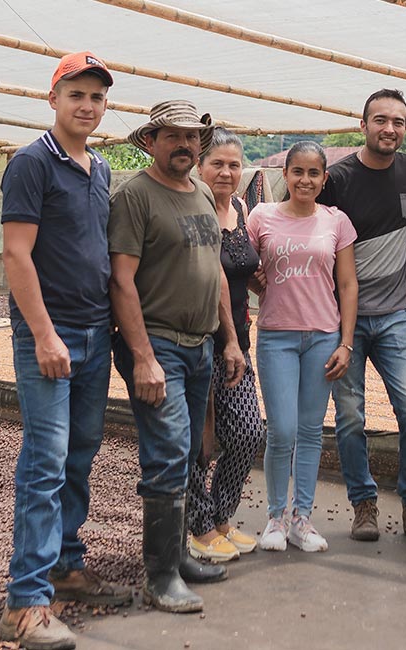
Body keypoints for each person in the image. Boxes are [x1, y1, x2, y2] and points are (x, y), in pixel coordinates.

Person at [0, 51, 131, 650]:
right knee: (46, 460)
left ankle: (65, 565)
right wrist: (45, 333)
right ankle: (25, 603)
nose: (87, 106)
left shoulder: (98, 168)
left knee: (79, 454)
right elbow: (16, 255)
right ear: (53, 99)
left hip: (94, 332)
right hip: (49, 337)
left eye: (97, 98)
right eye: (76, 94)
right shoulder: (32, 163)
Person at [109, 100, 246, 613]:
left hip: (201, 344)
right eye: (174, 136)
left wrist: (229, 338)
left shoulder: (204, 192)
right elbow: (121, 280)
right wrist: (142, 356)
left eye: (193, 137)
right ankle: (160, 575)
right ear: (151, 140)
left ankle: (181, 554)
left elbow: (212, 275)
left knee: (189, 452)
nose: (186, 145)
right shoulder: (135, 197)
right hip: (158, 341)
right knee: (168, 452)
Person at [320, 89, 406, 544]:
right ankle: (364, 504)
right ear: (362, 125)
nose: (390, 129)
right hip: (345, 321)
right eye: (380, 120)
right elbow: (305, 230)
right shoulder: (336, 179)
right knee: (351, 416)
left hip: (395, 313)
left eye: (398, 121)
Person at [247, 141, 358, 553]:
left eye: (314, 174)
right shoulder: (262, 217)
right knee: (282, 430)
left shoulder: (336, 221)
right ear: (286, 175)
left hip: (323, 337)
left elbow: (347, 284)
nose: (305, 180)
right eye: (298, 172)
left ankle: (302, 519)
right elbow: (243, 266)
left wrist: (346, 342)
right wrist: (251, 281)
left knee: (311, 431)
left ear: (324, 178)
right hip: (276, 335)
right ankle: (275, 517)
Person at [185, 128, 266, 563]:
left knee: (248, 432)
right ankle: (198, 528)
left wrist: (261, 282)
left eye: (234, 164)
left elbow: (240, 270)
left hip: (237, 343)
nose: (227, 171)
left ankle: (220, 518)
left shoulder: (239, 207)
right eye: (217, 163)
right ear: (200, 166)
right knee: (199, 441)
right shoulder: (192, 206)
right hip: (198, 341)